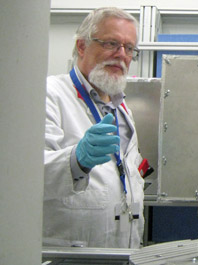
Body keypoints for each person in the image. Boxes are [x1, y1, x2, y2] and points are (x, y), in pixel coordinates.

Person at [43, 7, 151, 248]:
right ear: (82, 46)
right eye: (111, 43)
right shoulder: (48, 95)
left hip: (122, 250)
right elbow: (24, 177)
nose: (121, 55)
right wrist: (76, 160)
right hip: (69, 253)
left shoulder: (121, 108)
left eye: (129, 48)